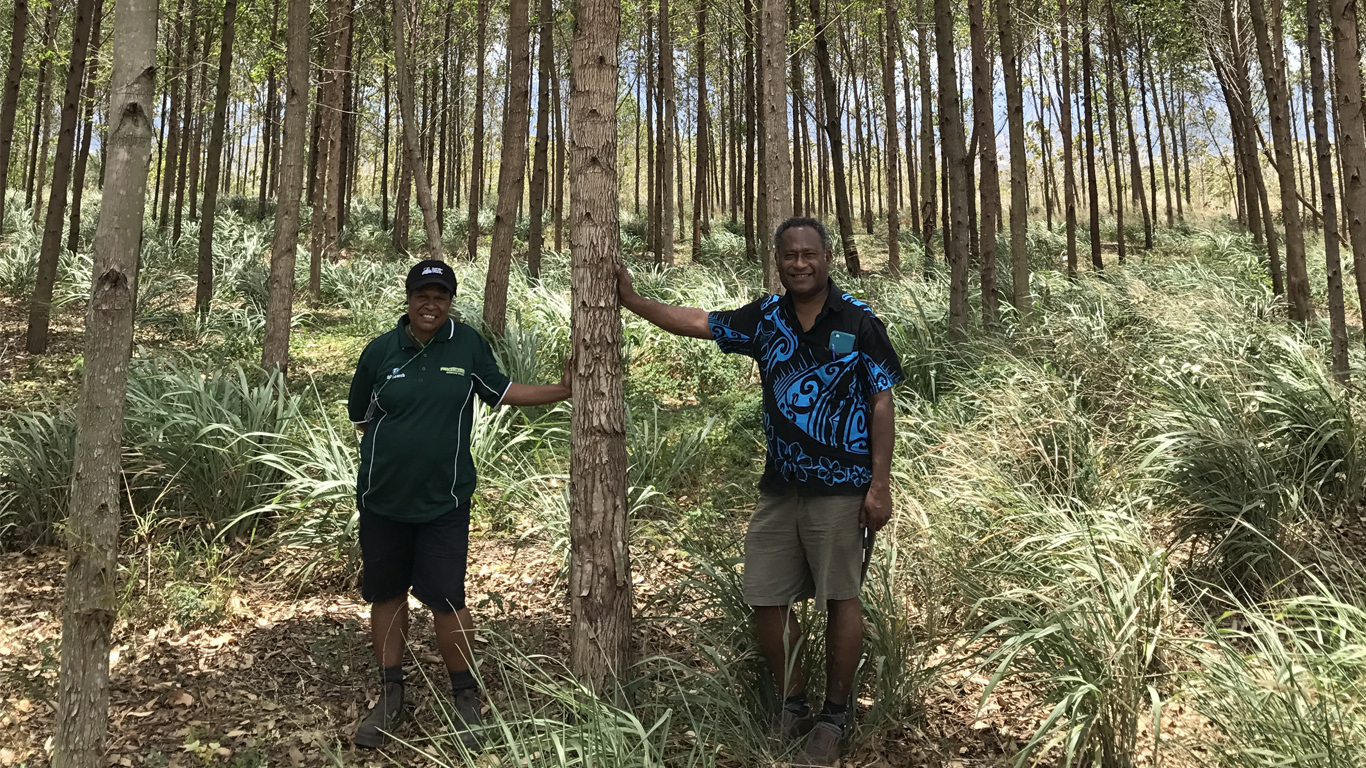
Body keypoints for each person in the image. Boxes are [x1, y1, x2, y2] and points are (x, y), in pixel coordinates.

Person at [617, 217, 903, 766]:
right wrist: (634, 301)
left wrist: (879, 484)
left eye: (809, 254)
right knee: (767, 598)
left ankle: (833, 719)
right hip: (780, 488)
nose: (800, 263)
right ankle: (792, 706)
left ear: (826, 258)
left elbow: (882, 402)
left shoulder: (860, 322)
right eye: (789, 255)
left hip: (842, 490)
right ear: (777, 261)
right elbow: (699, 321)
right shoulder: (767, 318)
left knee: (841, 598)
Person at [346, 259, 571, 749]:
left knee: (447, 599)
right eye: (423, 295)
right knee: (386, 595)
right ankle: (391, 693)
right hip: (382, 500)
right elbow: (360, 415)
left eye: (441, 296)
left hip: (444, 502)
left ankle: (465, 695)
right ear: (408, 299)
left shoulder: (466, 343)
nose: (432, 304)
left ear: (450, 301)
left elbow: (503, 390)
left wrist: (564, 388)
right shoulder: (381, 351)